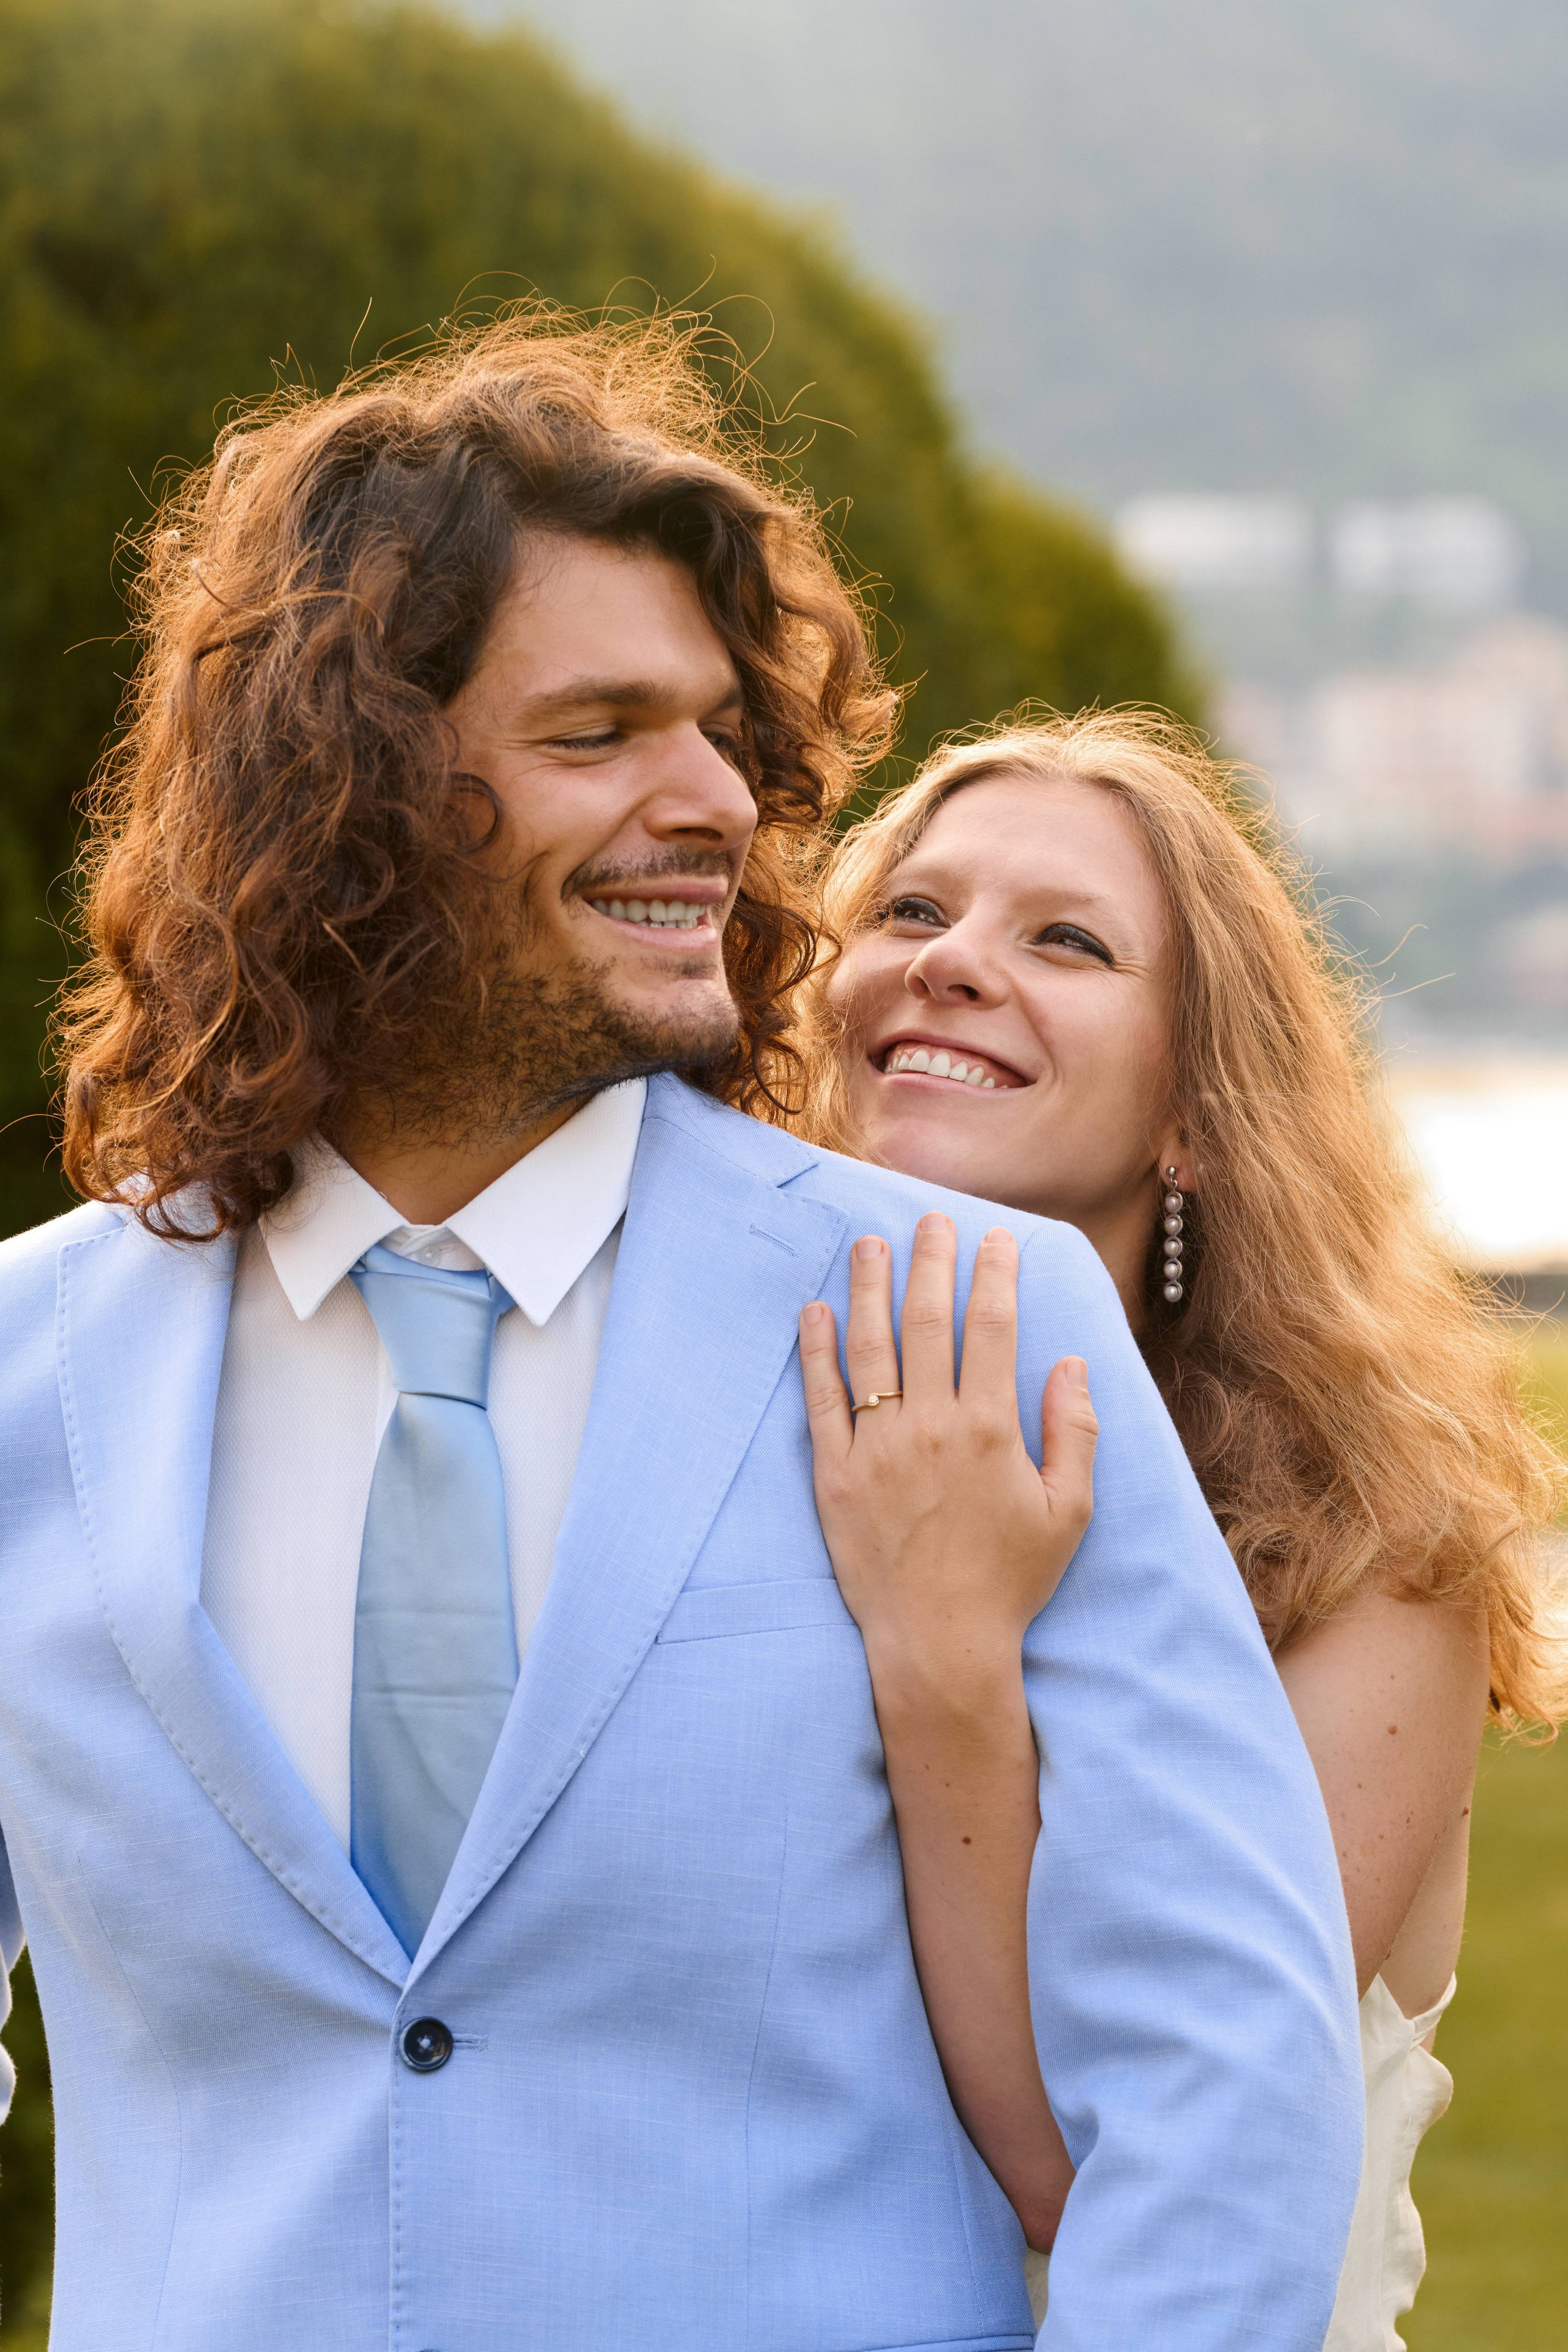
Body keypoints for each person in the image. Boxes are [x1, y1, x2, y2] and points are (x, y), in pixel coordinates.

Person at [0, 315, 1362, 2352]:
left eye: (723, 728)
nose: (715, 801)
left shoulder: (973, 1317)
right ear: (347, 794)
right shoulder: (30, 1369)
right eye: (597, 734)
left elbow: (1221, 2089)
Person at [798, 709, 1566, 2346]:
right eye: (912, 912)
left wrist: (946, 1662)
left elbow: (1131, 2156)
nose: (950, 962)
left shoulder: (1374, 1551)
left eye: (1064, 940)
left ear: (1194, 1118)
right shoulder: (730, 1451)